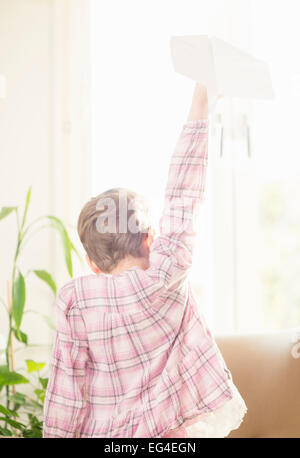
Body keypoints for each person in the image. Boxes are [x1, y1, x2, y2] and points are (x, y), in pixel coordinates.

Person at [43, 83, 247, 438]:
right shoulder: (167, 273)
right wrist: (201, 105)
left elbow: (66, 396)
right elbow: (183, 196)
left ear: (92, 263)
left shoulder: (75, 300)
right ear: (151, 240)